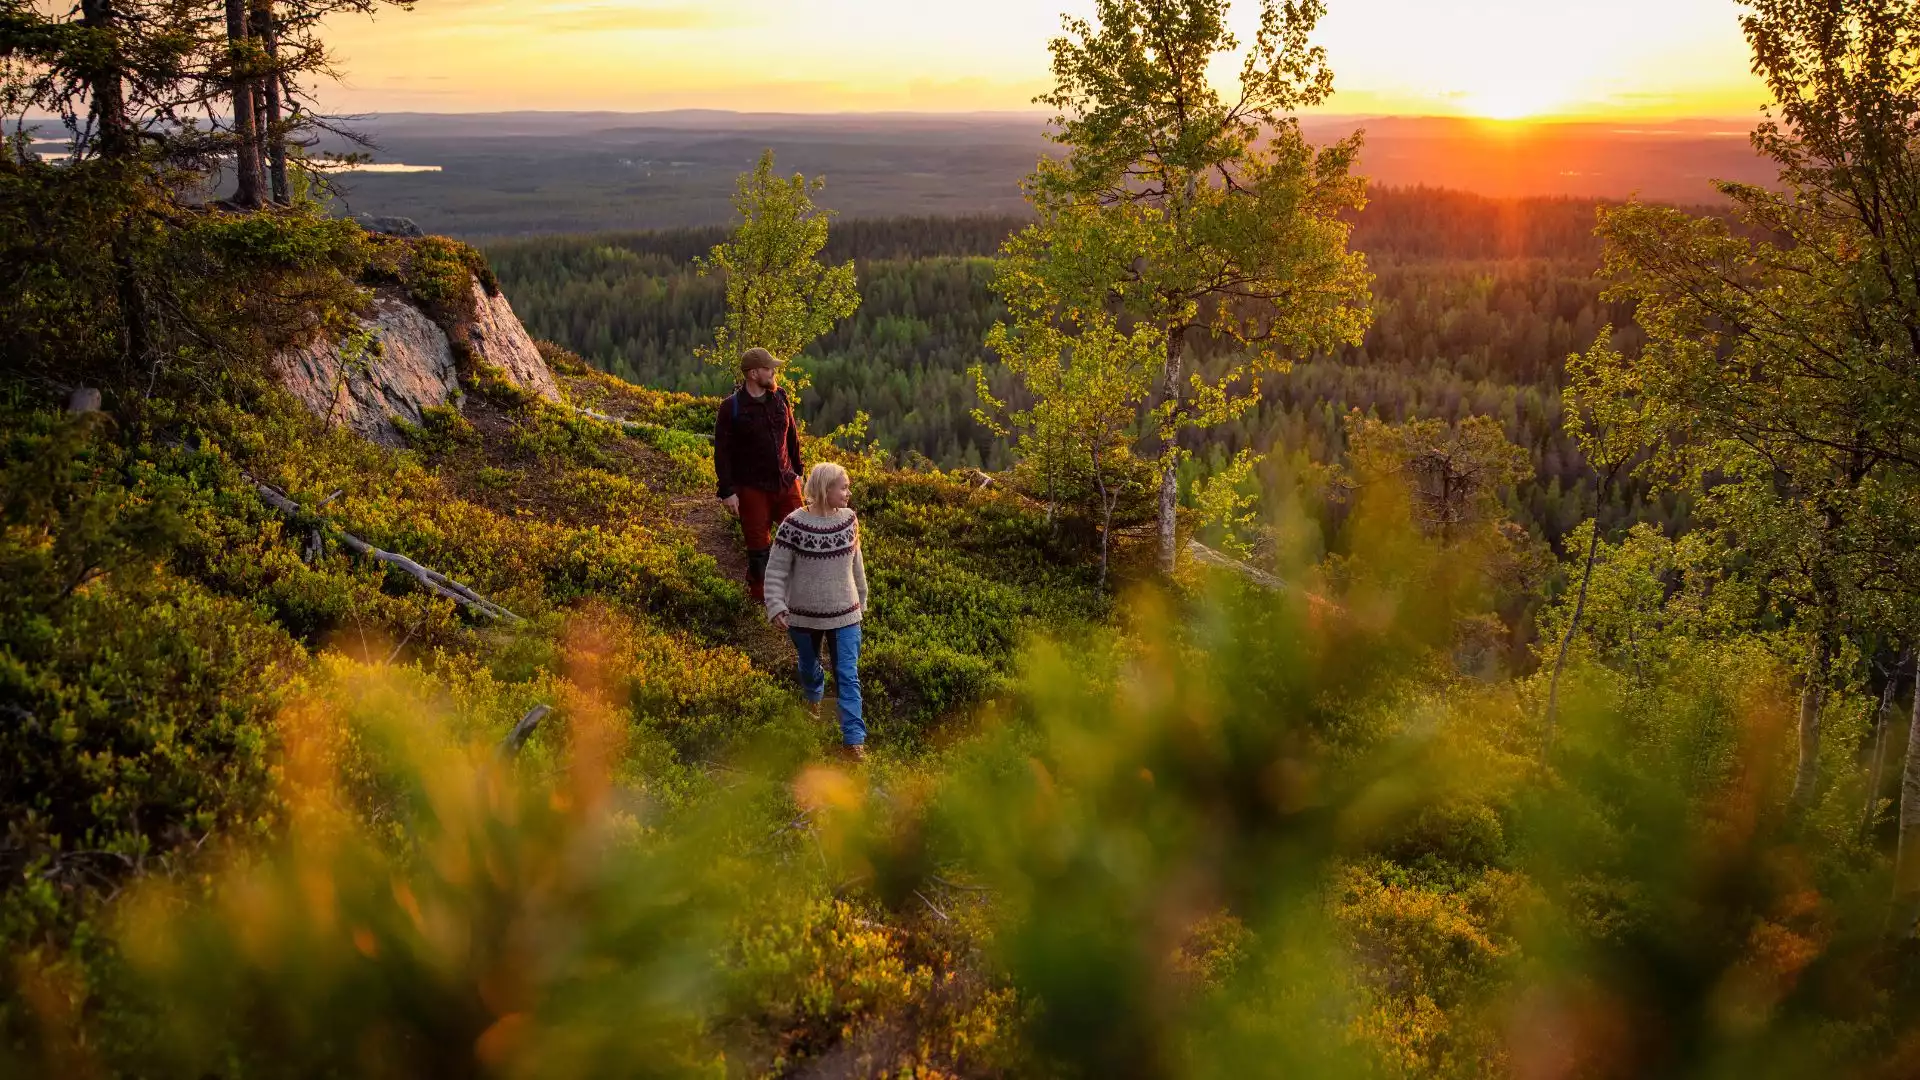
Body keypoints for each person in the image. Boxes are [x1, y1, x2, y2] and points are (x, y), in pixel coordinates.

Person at [763, 461, 869, 761]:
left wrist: (862, 597)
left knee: (847, 675)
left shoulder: (849, 520)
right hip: (803, 616)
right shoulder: (793, 525)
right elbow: (776, 571)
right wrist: (776, 605)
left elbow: (856, 562)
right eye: (843, 487)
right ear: (825, 489)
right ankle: (813, 696)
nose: (848, 493)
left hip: (846, 615)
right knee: (809, 668)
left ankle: (853, 741)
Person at [713, 347, 803, 602]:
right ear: (753, 374)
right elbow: (722, 453)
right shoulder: (731, 407)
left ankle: (799, 593)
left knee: (801, 539)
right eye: (768, 368)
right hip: (751, 488)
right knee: (758, 548)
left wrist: (798, 472)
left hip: (786, 482)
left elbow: (792, 437)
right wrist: (728, 491)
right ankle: (761, 600)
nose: (773, 372)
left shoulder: (781, 397)